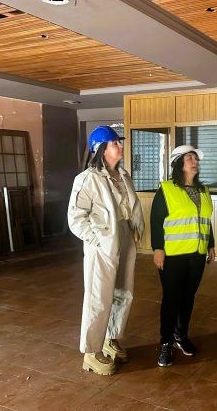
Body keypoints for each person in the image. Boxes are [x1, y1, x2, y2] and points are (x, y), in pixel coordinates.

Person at [68, 125, 144, 375]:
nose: (120, 146)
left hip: (124, 237)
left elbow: (130, 207)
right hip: (102, 243)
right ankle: (91, 352)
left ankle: (111, 339)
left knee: (124, 292)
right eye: (114, 143)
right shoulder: (87, 179)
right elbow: (76, 218)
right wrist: (97, 240)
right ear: (101, 149)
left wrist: (134, 229)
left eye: (119, 142)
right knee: (98, 298)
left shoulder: (123, 175)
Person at [150, 145, 215, 367]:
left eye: (196, 158)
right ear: (178, 163)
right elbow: (156, 221)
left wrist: (211, 244)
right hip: (172, 254)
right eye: (189, 158)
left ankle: (181, 335)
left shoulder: (203, 190)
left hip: (197, 253)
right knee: (171, 299)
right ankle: (165, 342)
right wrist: (158, 249)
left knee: (188, 297)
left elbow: (205, 220)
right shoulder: (167, 189)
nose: (195, 162)